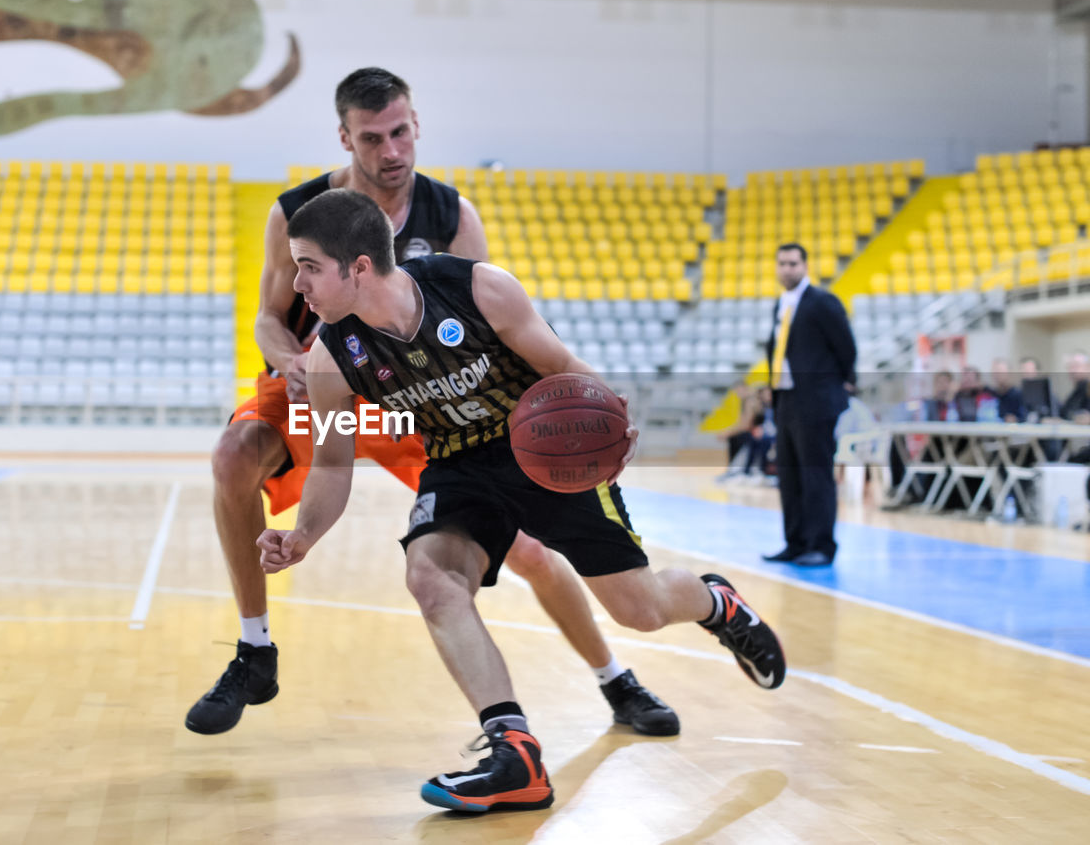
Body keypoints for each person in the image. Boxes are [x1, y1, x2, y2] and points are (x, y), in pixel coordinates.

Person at [259, 188, 786, 813]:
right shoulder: (331, 359)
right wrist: (303, 536)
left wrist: (610, 411)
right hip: (459, 464)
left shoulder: (481, 290)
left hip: (543, 450)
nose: (297, 284)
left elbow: (562, 365)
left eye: (309, 266)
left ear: (361, 267)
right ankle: (515, 752)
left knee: (639, 611)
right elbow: (332, 462)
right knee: (430, 577)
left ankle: (716, 603)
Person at [191, 68, 675, 739]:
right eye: (372, 138)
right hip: (321, 376)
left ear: (416, 125)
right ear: (344, 139)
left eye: (400, 132)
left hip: (416, 394)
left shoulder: (451, 215)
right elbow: (269, 319)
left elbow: (488, 335)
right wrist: (289, 361)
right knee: (234, 454)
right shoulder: (299, 211)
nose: (391, 151)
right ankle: (254, 649)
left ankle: (615, 678)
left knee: (530, 545)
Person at [760, 243, 856, 568]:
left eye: (793, 263)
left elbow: (847, 348)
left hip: (815, 400)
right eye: (782, 263)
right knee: (789, 476)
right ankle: (796, 542)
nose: (787, 269)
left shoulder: (823, 302)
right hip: (785, 399)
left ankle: (821, 545)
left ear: (804, 265)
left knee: (816, 475)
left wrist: (832, 385)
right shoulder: (781, 304)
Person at [1059, 350, 1089, 422]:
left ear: (1088, 367)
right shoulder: (1077, 391)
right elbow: (1064, 413)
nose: (1072, 370)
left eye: (1076, 366)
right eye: (1070, 366)